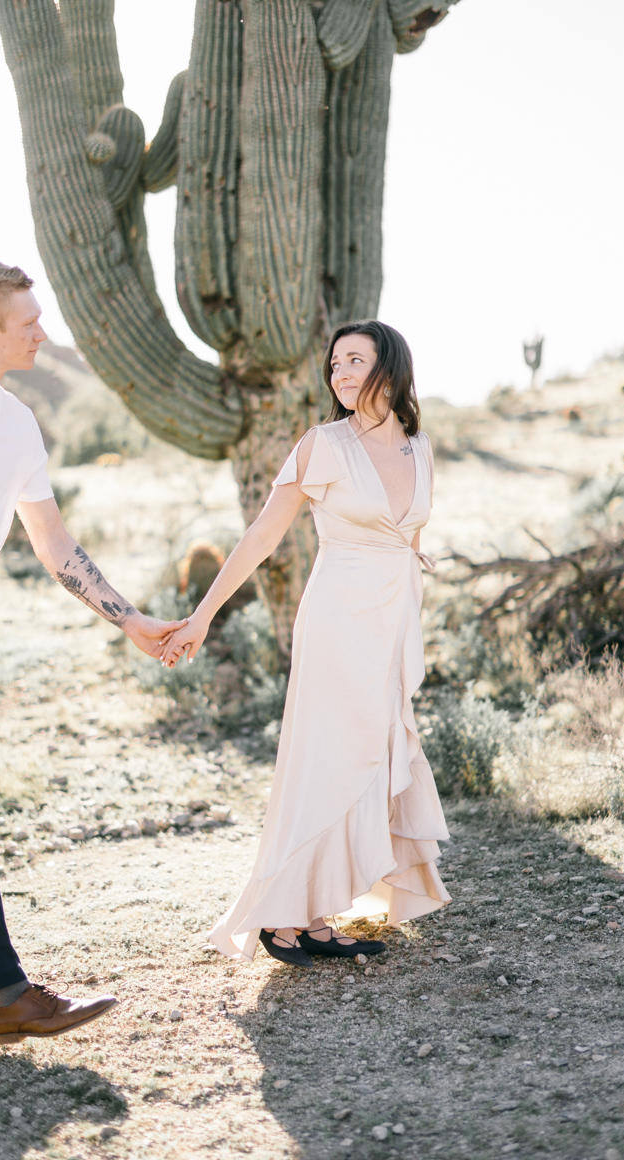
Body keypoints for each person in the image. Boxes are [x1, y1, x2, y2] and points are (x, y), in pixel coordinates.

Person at [0, 260, 183, 1041]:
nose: (42, 334)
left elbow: (53, 543)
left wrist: (128, 619)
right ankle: (7, 993)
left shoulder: (18, 422)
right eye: (28, 323)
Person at [161, 320, 450, 967]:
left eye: (355, 360)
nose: (341, 374)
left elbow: (410, 535)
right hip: (338, 619)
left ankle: (320, 913)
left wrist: (418, 567)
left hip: (393, 620)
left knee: (372, 756)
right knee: (327, 758)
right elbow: (263, 535)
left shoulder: (418, 447)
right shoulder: (324, 445)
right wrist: (204, 615)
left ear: (391, 366)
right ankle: (285, 915)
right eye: (335, 364)